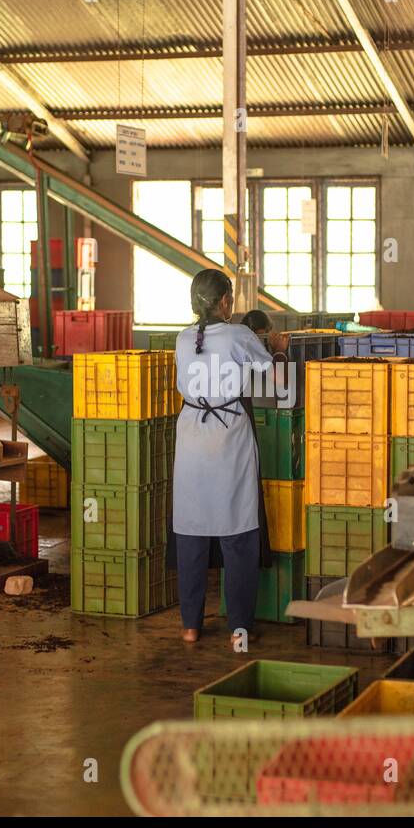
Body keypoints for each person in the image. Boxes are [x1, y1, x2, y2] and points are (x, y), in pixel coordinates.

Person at [171, 269, 290, 645]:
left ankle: (190, 626)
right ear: (224, 302)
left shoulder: (182, 338)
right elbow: (280, 382)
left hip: (191, 435)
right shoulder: (239, 335)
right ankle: (239, 627)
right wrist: (279, 349)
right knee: (237, 528)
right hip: (228, 437)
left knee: (191, 529)